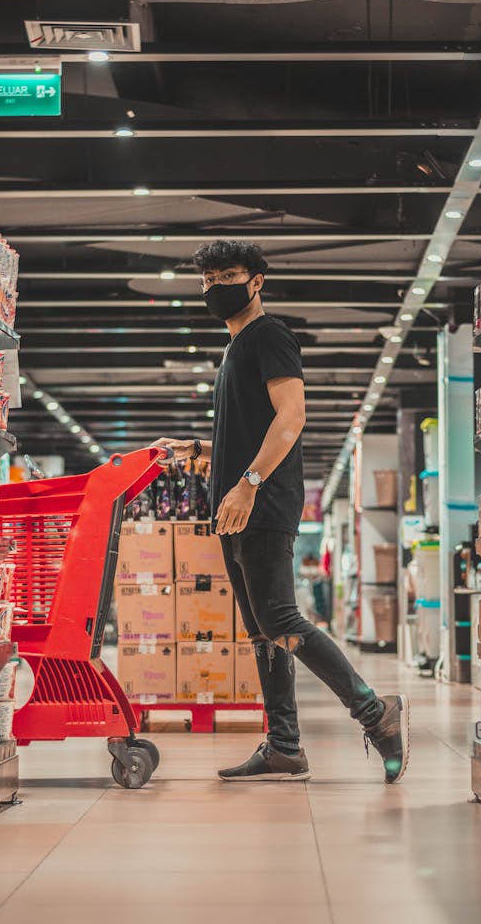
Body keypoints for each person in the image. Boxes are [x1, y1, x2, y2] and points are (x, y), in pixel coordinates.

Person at [155, 239, 409, 784]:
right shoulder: (235, 349)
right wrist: (199, 451)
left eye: (227, 276)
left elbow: (291, 416)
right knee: (262, 632)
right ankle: (285, 746)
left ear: (256, 281)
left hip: (261, 505)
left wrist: (247, 485)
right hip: (235, 510)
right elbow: (251, 430)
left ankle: (373, 710)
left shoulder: (269, 335)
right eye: (208, 280)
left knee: (280, 621)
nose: (216, 287)